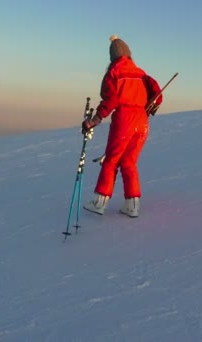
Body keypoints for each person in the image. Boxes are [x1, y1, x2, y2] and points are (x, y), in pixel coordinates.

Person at [82, 35, 163, 218]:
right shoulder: (142, 74)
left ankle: (99, 203)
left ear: (113, 56)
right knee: (129, 162)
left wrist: (93, 120)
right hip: (142, 122)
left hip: (124, 121)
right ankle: (132, 205)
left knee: (111, 161)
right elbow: (157, 96)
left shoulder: (114, 73)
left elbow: (110, 101)